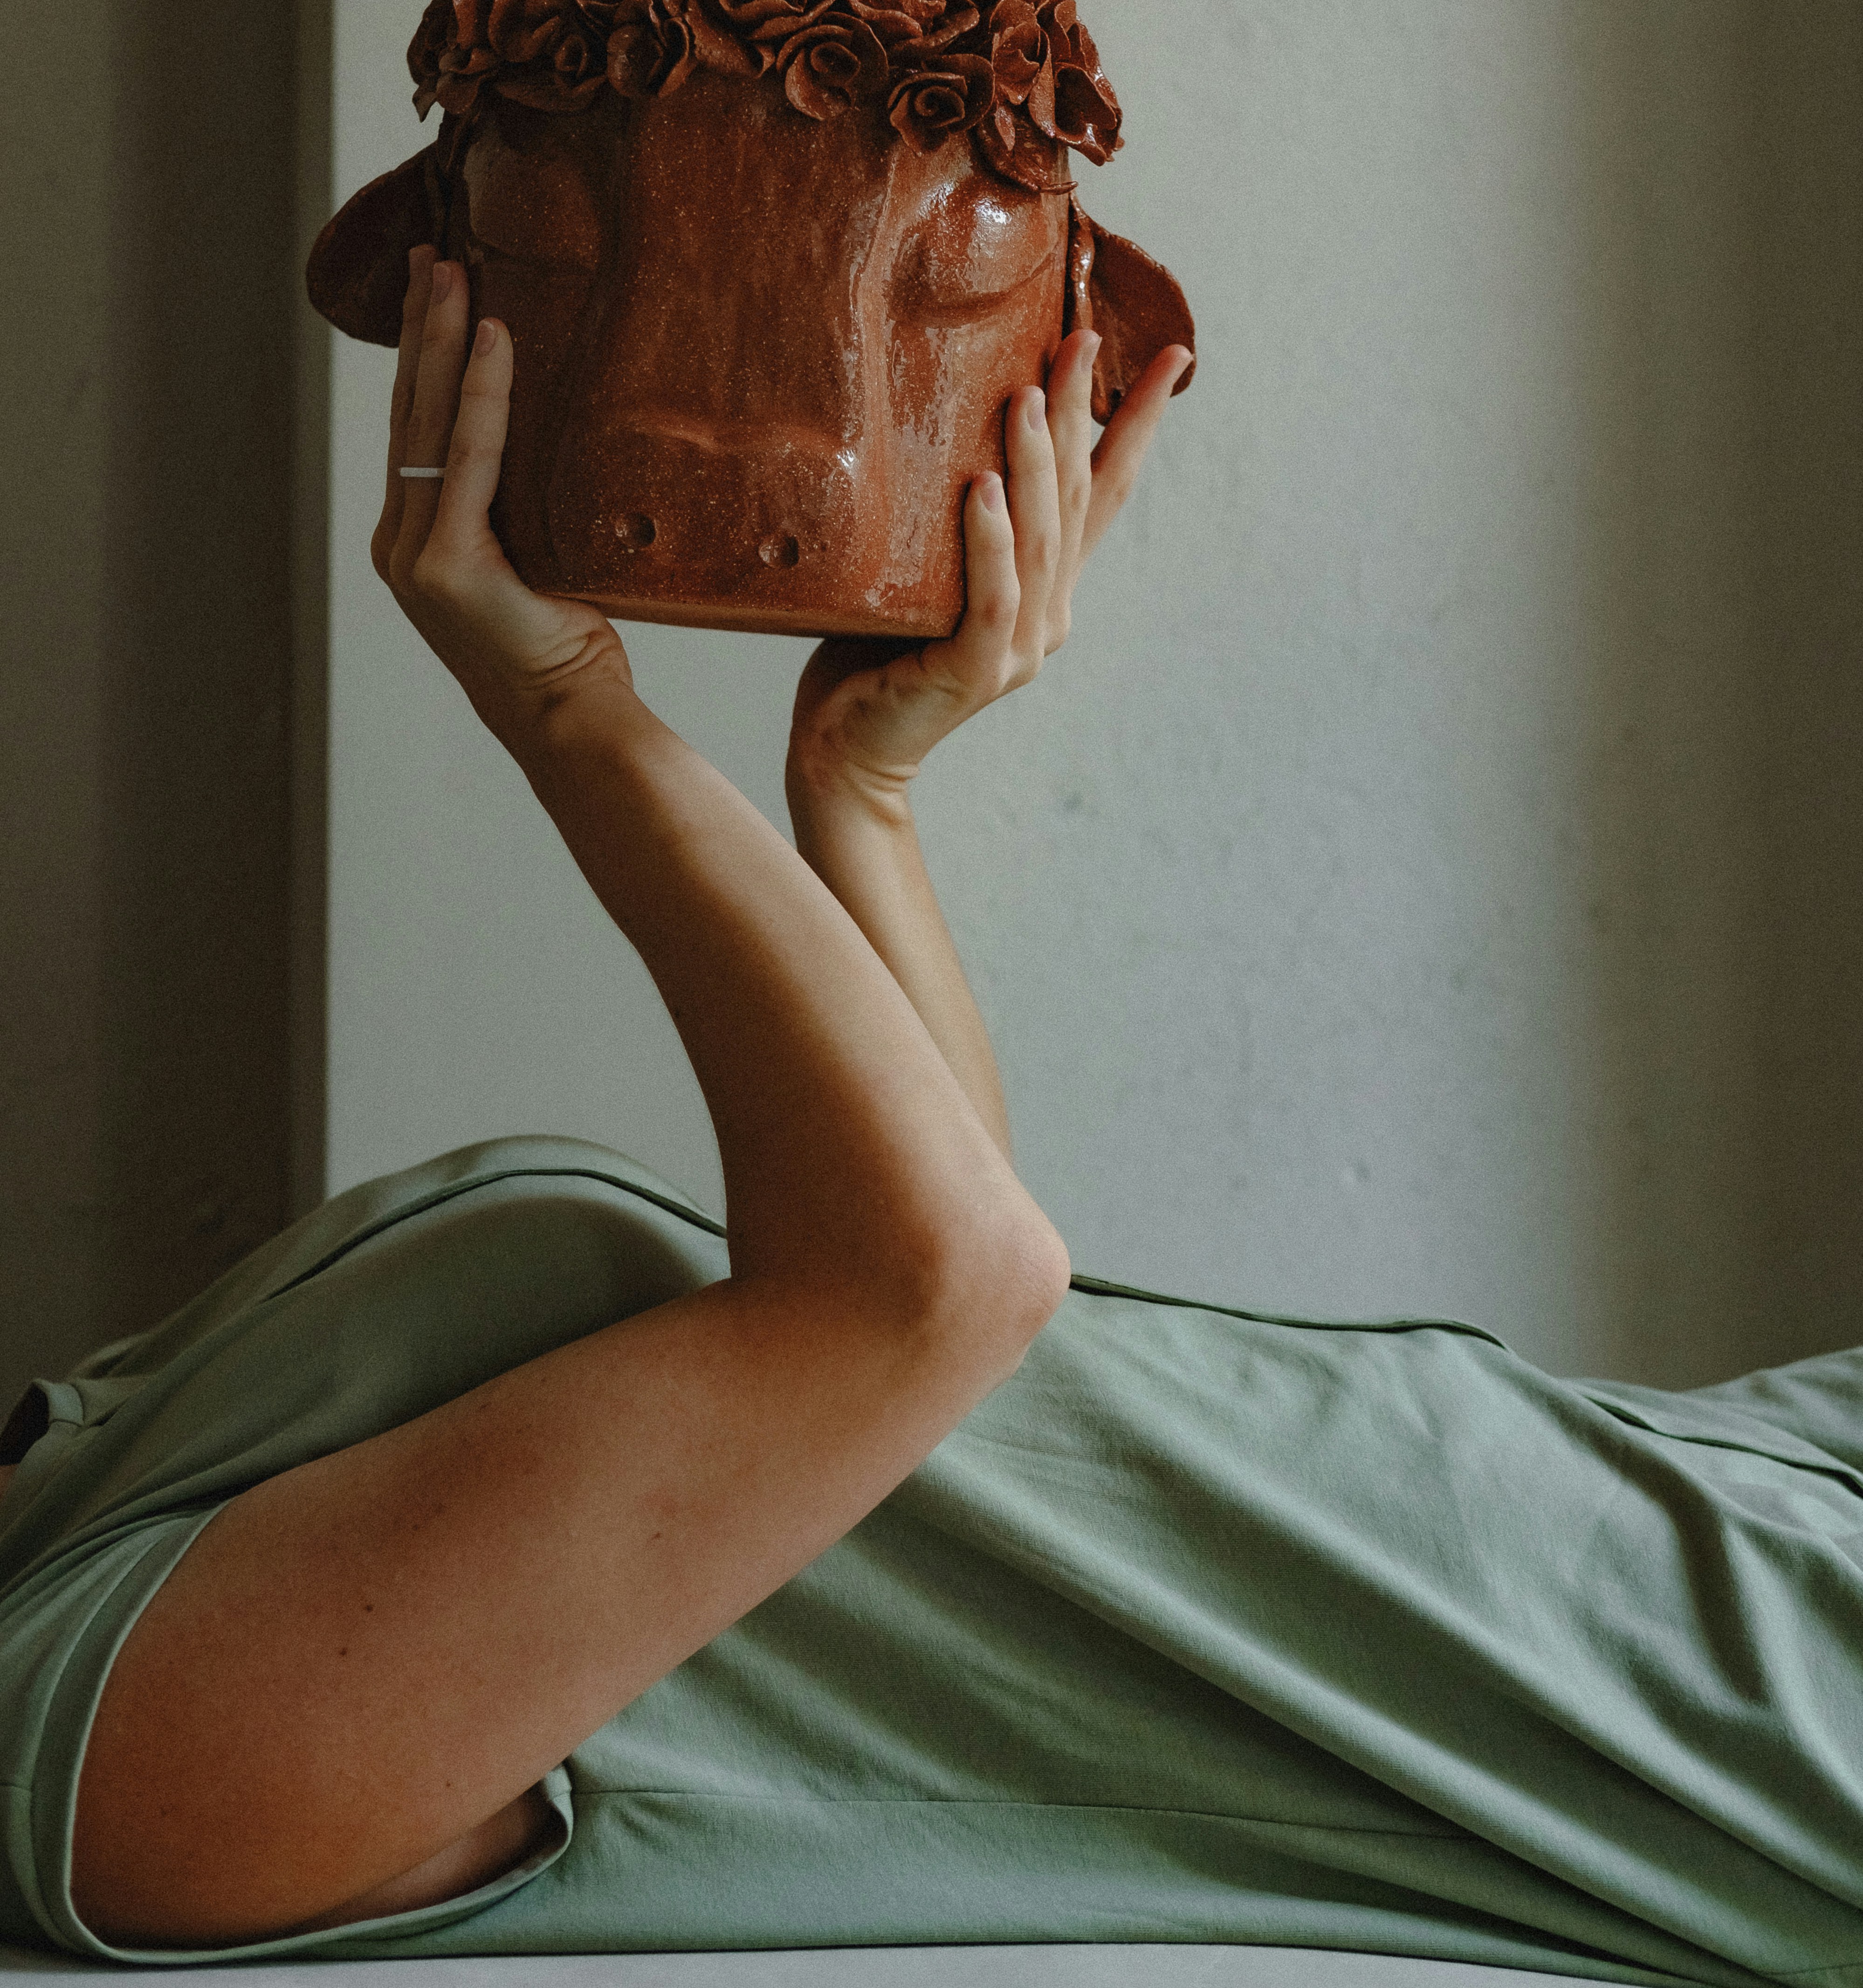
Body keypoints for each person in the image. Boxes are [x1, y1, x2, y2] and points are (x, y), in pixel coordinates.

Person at [3, 252, 1862, 1981]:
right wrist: (569, 708)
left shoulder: (113, 1454)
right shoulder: (101, 1752)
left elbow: (933, 1396)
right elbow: (932, 1286)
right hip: (1672, 1681)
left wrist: (860, 791)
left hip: (1701, 1472)